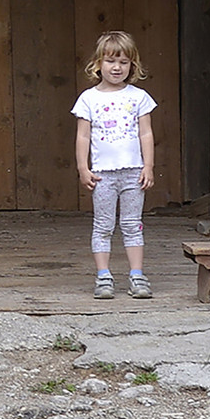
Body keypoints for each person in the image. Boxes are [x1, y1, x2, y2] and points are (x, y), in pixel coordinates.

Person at [73, 31, 156, 300]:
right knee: (103, 225)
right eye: (110, 61)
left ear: (133, 65)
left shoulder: (138, 97)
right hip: (102, 175)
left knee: (133, 224)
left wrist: (148, 166)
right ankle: (103, 276)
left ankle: (137, 275)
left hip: (133, 172)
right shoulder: (88, 99)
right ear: (98, 64)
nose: (117, 67)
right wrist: (83, 169)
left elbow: (146, 133)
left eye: (123, 62)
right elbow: (83, 136)